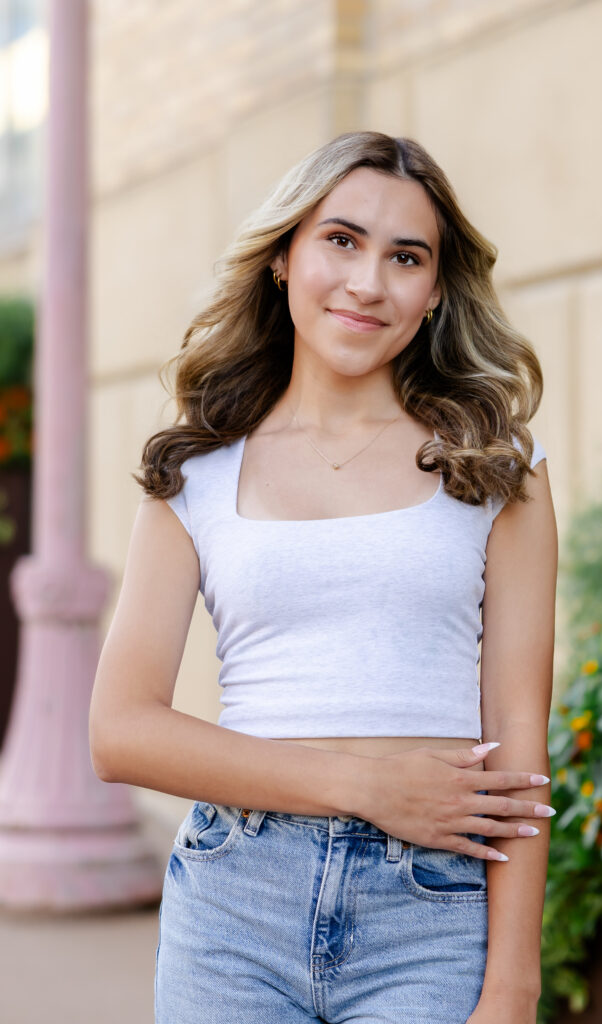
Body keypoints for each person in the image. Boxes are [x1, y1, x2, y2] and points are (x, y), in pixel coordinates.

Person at [89, 130, 558, 1024]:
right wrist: (365, 785)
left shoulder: (498, 468)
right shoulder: (198, 469)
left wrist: (513, 987)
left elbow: (519, 747)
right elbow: (121, 733)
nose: (368, 282)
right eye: (341, 240)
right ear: (283, 258)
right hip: (234, 905)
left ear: (433, 293)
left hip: (430, 913)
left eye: (406, 257)